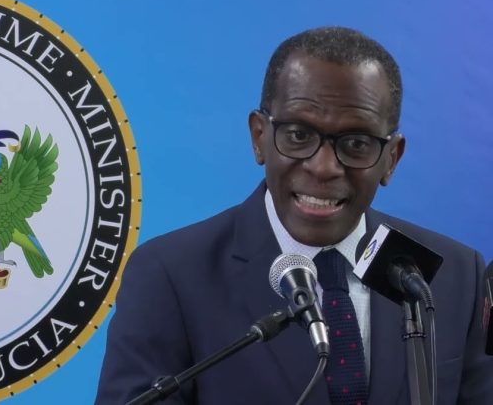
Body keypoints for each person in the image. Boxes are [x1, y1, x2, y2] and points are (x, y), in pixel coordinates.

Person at [95, 27, 493, 405]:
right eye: (299, 135)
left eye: (356, 143)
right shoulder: (169, 276)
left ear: (391, 158)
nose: (323, 167)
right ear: (259, 137)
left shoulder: (456, 277)